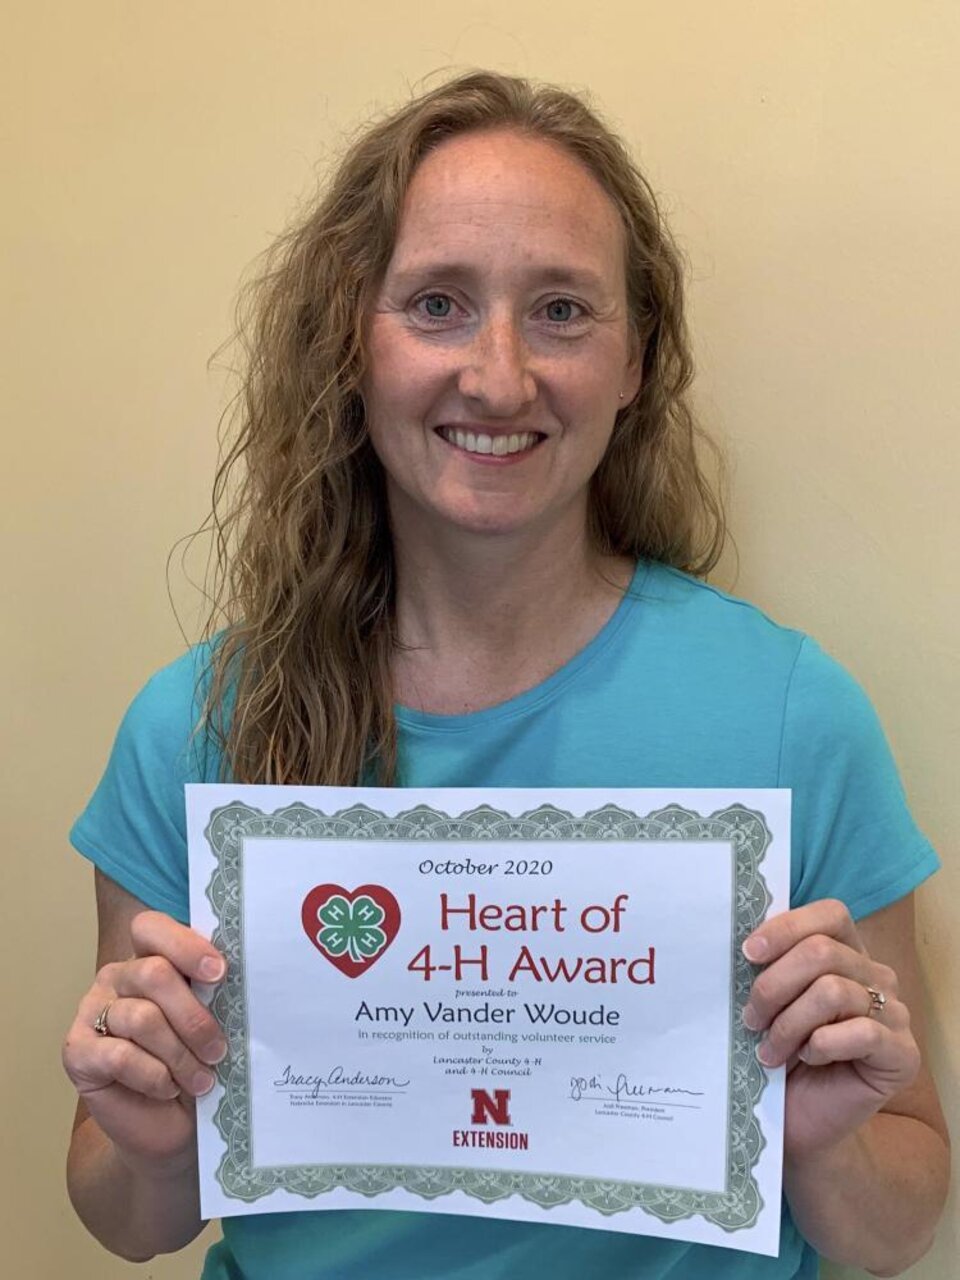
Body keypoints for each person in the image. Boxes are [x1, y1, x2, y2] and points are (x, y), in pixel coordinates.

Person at [62, 70, 949, 1279]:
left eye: (562, 311)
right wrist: (154, 1139)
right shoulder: (192, 729)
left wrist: (818, 1140)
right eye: (436, 303)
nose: (498, 374)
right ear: (351, 347)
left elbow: (898, 1231)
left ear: (638, 361)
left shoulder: (793, 717)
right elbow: (126, 1216)